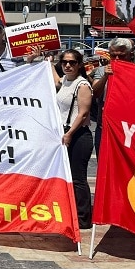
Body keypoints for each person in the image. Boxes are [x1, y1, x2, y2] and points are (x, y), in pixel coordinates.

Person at [49, 49, 93, 229]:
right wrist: (49, 63)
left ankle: (84, 219)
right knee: (65, 176)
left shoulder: (82, 85)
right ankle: (71, 211)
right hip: (66, 134)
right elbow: (56, 82)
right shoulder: (66, 81)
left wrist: (69, 134)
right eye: (65, 62)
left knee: (78, 178)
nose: (68, 65)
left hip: (78, 135)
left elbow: (83, 114)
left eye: (72, 62)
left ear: (79, 64)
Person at [91, 37, 135, 156]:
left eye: (121, 56)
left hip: (131, 130)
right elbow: (94, 93)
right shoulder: (103, 71)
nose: (117, 59)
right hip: (106, 129)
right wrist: (105, 77)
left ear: (130, 55)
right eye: (113, 56)